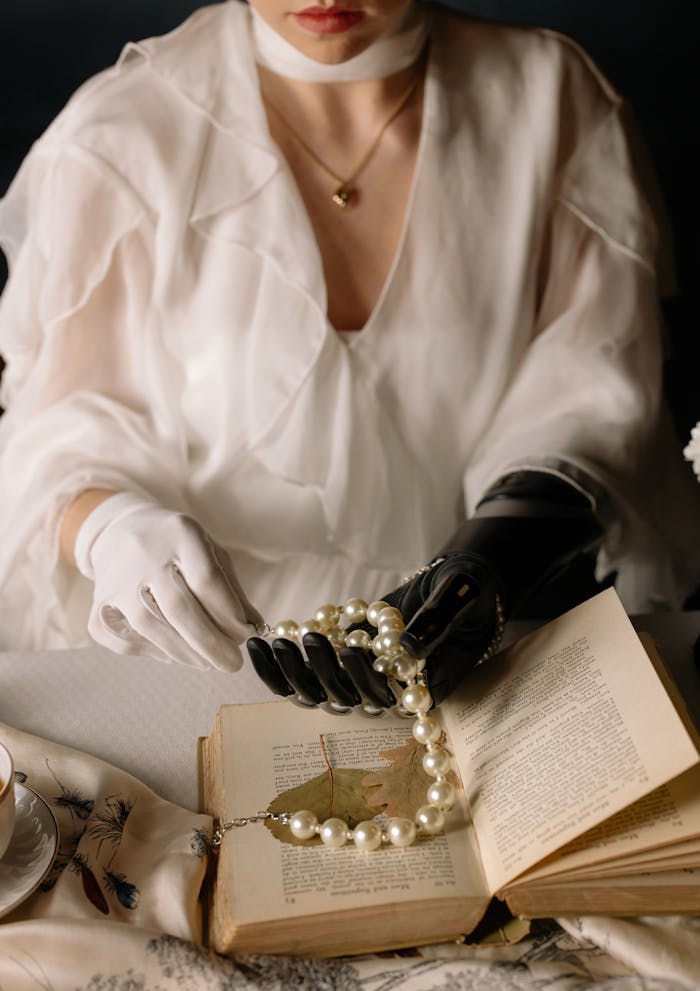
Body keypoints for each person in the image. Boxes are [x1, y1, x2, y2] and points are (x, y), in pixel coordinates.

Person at [0, 0, 698, 705]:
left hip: (458, 663)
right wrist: (112, 529)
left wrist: (489, 560)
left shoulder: (551, 101)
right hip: (183, 670)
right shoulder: (122, 134)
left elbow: (592, 386)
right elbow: (52, 434)